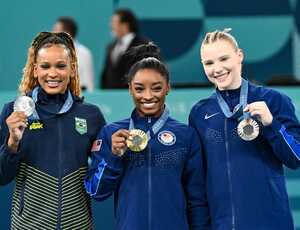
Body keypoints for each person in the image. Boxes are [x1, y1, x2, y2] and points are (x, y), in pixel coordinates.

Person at [85, 43, 210, 229]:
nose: (148, 96)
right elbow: (95, 191)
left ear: (168, 87)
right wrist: (113, 156)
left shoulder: (186, 135)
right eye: (139, 88)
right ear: (129, 89)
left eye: (157, 88)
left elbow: (197, 199)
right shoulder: (112, 133)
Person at [189, 29, 300, 229]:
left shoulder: (274, 100)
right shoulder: (200, 112)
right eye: (209, 63)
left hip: (270, 222)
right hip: (222, 224)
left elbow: (296, 158)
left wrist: (271, 124)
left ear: (239, 56)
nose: (217, 68)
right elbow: (197, 181)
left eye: (224, 58)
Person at [0, 32, 106, 229]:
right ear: (35, 70)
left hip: (77, 225)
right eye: (45, 66)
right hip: (28, 226)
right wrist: (12, 143)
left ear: (72, 69)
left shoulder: (91, 116)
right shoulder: (13, 112)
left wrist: (115, 155)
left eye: (60, 66)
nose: (53, 74)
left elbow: (102, 182)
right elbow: (2, 177)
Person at [100, 8, 149, 89]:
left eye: (113, 22)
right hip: (110, 97)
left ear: (125, 25)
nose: (110, 25)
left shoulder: (143, 45)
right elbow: (106, 75)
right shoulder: (110, 47)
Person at [53, 16, 95, 91]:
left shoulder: (84, 53)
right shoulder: (50, 52)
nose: (53, 33)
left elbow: (88, 84)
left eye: (56, 30)